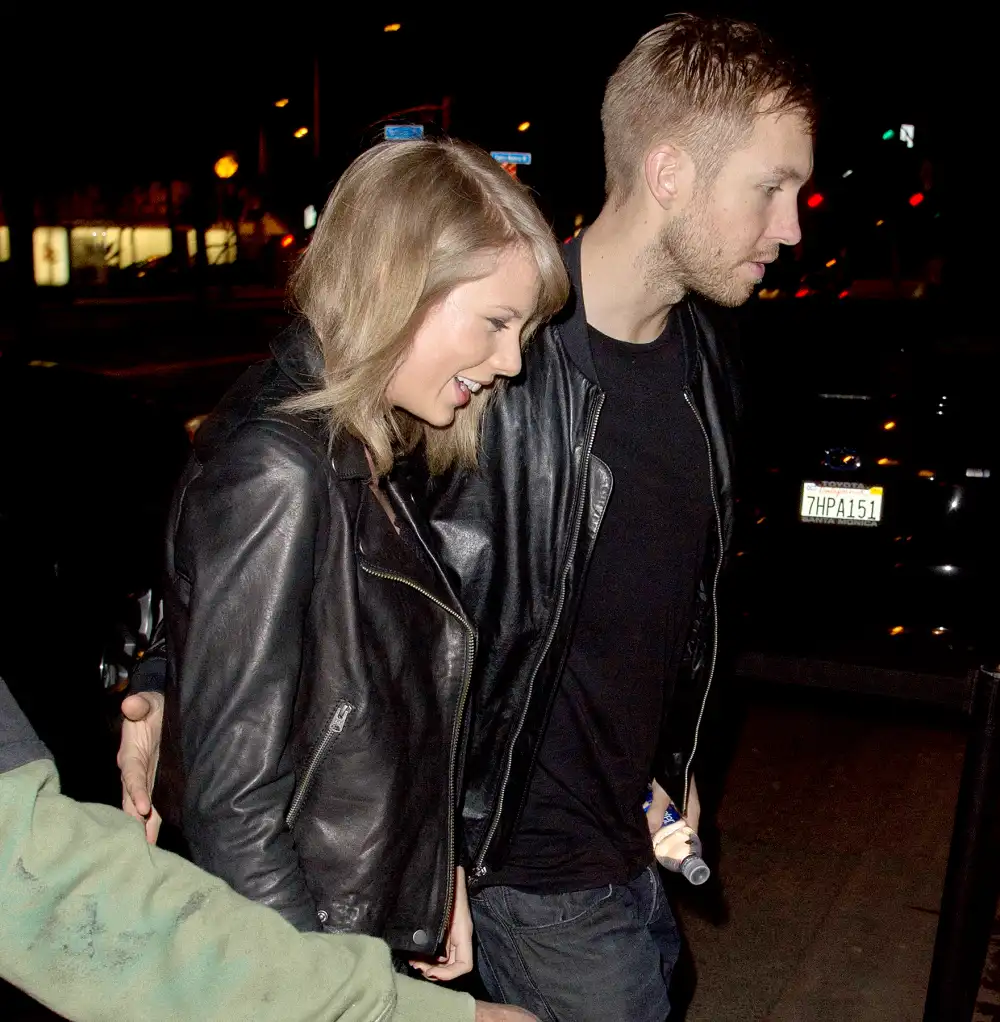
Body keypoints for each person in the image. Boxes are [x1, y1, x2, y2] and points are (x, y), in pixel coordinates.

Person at [120, 15, 816, 1020]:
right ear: (669, 170)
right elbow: (257, 515)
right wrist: (155, 664)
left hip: (624, 841)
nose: (791, 225)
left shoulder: (707, 366)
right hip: (518, 866)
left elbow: (672, 614)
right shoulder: (470, 363)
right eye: (771, 185)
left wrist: (673, 769)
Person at [146, 137, 567, 982]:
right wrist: (338, 995)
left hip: (360, 918)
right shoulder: (281, 470)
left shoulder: (366, 445)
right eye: (495, 321)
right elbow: (234, 809)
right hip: (312, 943)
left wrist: (432, 872)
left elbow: (377, 719)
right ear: (401, 288)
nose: (512, 362)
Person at [0, 675, 537, 1021]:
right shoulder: (284, 491)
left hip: (372, 902)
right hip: (312, 920)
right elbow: (45, 888)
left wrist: (443, 854)